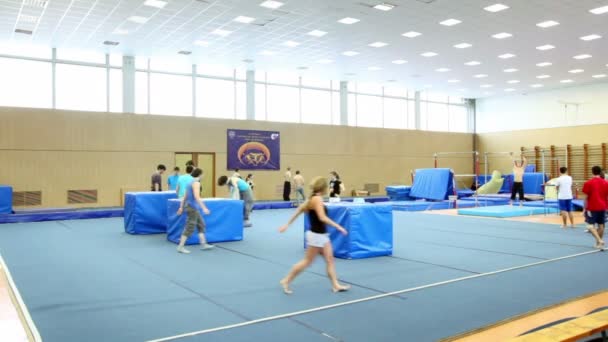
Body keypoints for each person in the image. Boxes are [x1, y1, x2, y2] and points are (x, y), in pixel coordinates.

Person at [278, 177, 351, 294]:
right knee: (307, 261)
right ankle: (286, 280)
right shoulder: (316, 199)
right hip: (317, 236)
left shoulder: (313, 198)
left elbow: (299, 210)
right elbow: (322, 217)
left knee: (330, 260)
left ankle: (335, 285)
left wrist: (287, 224)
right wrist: (338, 226)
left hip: (322, 236)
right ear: (323, 188)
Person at [176, 168, 214, 254]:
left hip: (191, 207)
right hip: (192, 207)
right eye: (203, 174)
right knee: (190, 226)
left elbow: (184, 197)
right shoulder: (196, 183)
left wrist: (181, 207)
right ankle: (180, 246)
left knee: (201, 224)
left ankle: (203, 244)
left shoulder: (189, 183)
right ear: (200, 174)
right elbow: (197, 197)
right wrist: (204, 208)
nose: (203, 176)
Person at [581, 166, 608, 249]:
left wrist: (584, 209)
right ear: (600, 172)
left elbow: (585, 197)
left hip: (592, 207)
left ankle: (599, 240)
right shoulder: (606, 183)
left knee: (589, 226)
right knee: (601, 225)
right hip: (603, 206)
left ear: (592, 172)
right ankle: (598, 244)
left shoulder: (588, 183)